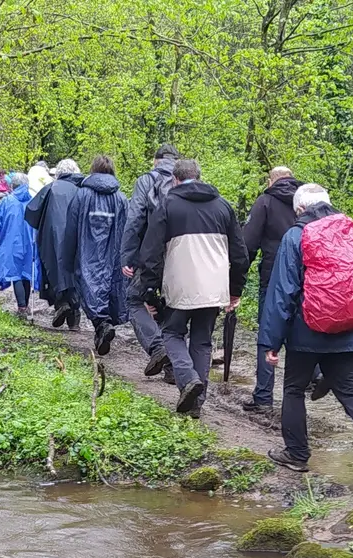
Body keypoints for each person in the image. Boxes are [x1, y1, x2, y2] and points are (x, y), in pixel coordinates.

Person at [258, 184, 353, 483]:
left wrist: (270, 342)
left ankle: (297, 455)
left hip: (305, 333)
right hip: (349, 331)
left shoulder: (296, 236)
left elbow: (282, 293)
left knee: (294, 389)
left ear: (299, 209)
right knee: (351, 391)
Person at [134, 157, 248, 417]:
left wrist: (148, 290)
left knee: (172, 334)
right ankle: (196, 403)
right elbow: (240, 253)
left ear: (175, 179)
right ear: (199, 176)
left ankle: (187, 380)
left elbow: (150, 252)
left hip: (180, 286)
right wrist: (235, 289)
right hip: (213, 288)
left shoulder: (167, 205)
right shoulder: (223, 207)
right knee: (202, 341)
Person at [240, 166, 304, 412]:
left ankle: (264, 396)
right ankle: (314, 377)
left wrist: (238, 277)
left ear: (271, 181)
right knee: (301, 328)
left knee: (269, 332)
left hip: (273, 275)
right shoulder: (306, 200)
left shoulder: (265, 201)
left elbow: (249, 242)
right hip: (306, 276)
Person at [121, 144, 181, 376]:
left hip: (150, 255)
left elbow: (134, 220)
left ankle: (158, 347)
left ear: (155, 161)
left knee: (135, 300)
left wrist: (127, 255)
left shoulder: (146, 181)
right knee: (170, 306)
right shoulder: (188, 181)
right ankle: (173, 369)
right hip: (180, 256)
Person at [65, 155, 129, 355]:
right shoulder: (121, 198)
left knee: (89, 288)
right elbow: (128, 229)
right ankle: (104, 324)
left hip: (87, 254)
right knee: (110, 289)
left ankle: (101, 324)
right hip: (114, 254)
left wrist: (67, 256)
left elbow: (71, 227)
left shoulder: (82, 196)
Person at [26, 158, 86, 328]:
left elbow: (32, 210)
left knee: (55, 268)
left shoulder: (51, 188)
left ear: (59, 172)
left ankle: (61, 304)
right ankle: (74, 315)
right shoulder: (82, 189)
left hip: (53, 236)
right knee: (75, 272)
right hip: (77, 236)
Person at [0, 172, 41, 315]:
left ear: (12, 186)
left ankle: (22, 306)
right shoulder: (33, 201)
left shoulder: (7, 201)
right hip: (29, 242)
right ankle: (25, 305)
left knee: (15, 274)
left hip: (11, 242)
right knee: (26, 273)